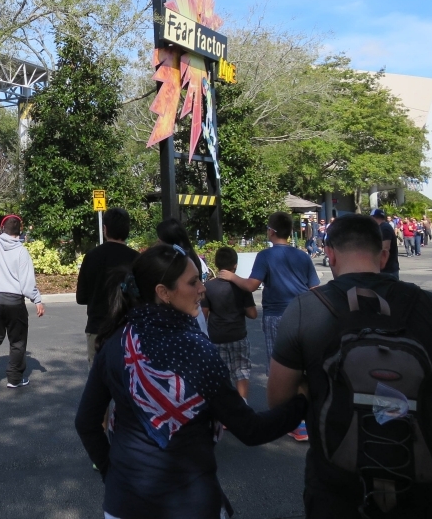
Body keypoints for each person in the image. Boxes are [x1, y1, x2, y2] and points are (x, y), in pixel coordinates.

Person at [267, 214, 432, 518]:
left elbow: (278, 398)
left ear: (329, 255)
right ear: (383, 255)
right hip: (421, 492)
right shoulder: (430, 307)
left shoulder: (305, 309)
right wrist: (430, 437)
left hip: (337, 490)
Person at [75, 244, 307, 519]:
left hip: (123, 503)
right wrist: (303, 400)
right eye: (193, 281)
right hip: (190, 503)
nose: (202, 288)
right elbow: (250, 429)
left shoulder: (116, 343)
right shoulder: (197, 350)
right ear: (163, 292)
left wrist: (111, 473)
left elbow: (86, 422)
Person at [217, 211, 318, 442]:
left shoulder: (265, 255)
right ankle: (306, 418)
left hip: (276, 315)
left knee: (281, 365)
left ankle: (291, 421)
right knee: (303, 364)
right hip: (303, 312)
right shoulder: (302, 256)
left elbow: (252, 285)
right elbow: (315, 288)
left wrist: (232, 277)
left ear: (271, 231)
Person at [0, 214, 44, 390]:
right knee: (17, 341)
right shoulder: (21, 251)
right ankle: (14, 378)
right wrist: (37, 299)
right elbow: (27, 282)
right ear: (19, 231)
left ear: (2, 229)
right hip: (14, 302)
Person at [76, 207, 138, 363]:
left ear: (105, 229)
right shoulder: (136, 259)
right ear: (127, 229)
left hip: (98, 329)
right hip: (128, 330)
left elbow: (81, 297)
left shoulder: (92, 256)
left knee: (98, 382)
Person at [201, 247, 257, 400]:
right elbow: (253, 314)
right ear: (235, 265)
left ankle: (224, 412)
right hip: (238, 335)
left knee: (221, 373)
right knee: (241, 371)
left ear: (216, 264)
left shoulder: (208, 287)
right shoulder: (242, 286)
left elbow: (204, 315)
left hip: (217, 337)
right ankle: (242, 405)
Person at [370, 209, 400, 280]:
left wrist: (380, 264)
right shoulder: (382, 227)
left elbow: (385, 248)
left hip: (387, 269)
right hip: (387, 269)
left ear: (373, 217)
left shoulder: (384, 228)